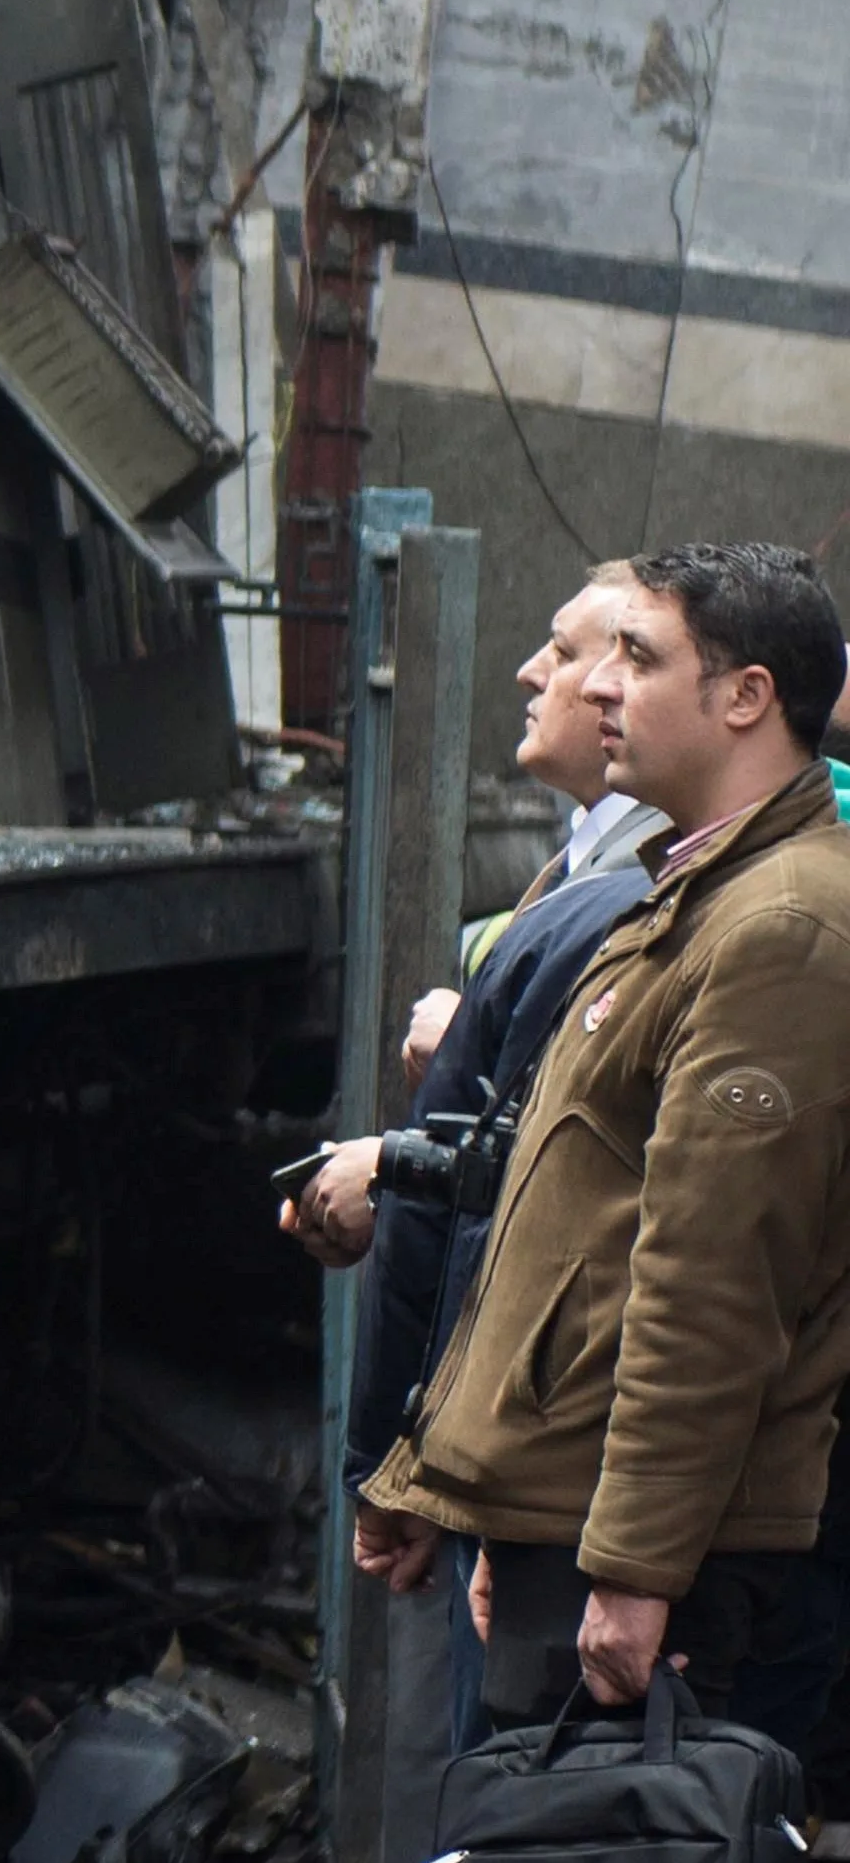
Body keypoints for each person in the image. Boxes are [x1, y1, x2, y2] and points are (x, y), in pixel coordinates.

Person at [358, 543, 850, 1722]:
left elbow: (711, 1288)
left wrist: (630, 1572)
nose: (599, 688)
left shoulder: (780, 926)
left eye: (641, 657)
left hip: (656, 1565)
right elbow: (570, 1208)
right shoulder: (691, 891)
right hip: (566, 1521)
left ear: (746, 698)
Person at [286, 568, 662, 1744]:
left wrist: (464, 1486)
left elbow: (594, 1215)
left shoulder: (641, 899)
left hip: (552, 1486)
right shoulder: (587, 878)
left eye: (590, 654)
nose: (546, 676)